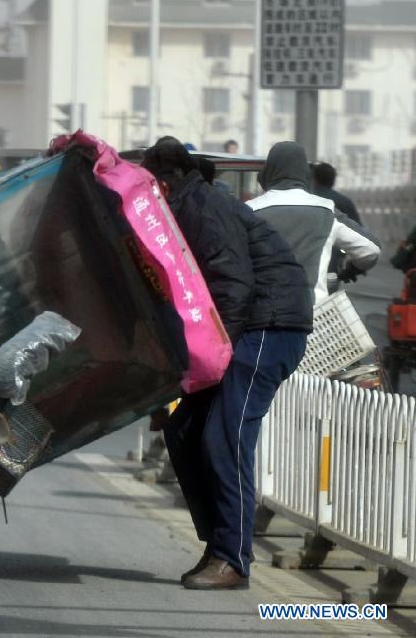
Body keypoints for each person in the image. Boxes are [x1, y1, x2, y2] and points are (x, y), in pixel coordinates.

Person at [141, 137, 313, 590]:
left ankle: (233, 559)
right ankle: (219, 543)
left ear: (162, 181)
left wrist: (214, 359)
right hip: (248, 326)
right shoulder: (187, 208)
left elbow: (233, 287)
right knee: (185, 431)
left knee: (225, 437)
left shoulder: (202, 208)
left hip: (268, 327)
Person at [249, 142, 381, 305]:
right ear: (305, 174)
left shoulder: (248, 210)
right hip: (313, 315)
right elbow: (371, 249)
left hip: (262, 313)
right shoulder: (325, 210)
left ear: (267, 172)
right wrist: (352, 269)